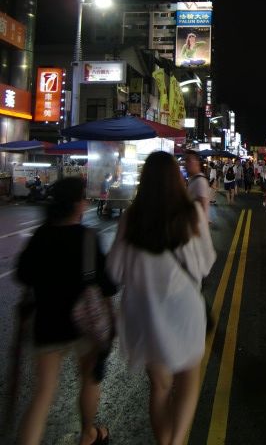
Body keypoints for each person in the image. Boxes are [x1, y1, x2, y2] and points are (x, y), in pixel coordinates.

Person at [106, 151, 216, 445]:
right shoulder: (192, 214)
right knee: (188, 381)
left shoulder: (131, 217)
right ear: (176, 179)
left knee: (160, 388)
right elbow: (206, 263)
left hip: (145, 315)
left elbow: (114, 270)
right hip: (185, 311)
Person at [16, 177, 116, 445]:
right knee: (89, 379)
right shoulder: (87, 238)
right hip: (84, 325)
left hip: (47, 323)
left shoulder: (41, 235)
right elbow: (107, 285)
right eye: (83, 198)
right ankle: (88, 434)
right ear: (76, 204)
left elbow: (23, 274)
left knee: (43, 393)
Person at [185, 149, 210, 219]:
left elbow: (203, 207)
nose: (185, 164)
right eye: (185, 161)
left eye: (188, 161)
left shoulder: (200, 181)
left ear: (197, 162)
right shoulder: (193, 179)